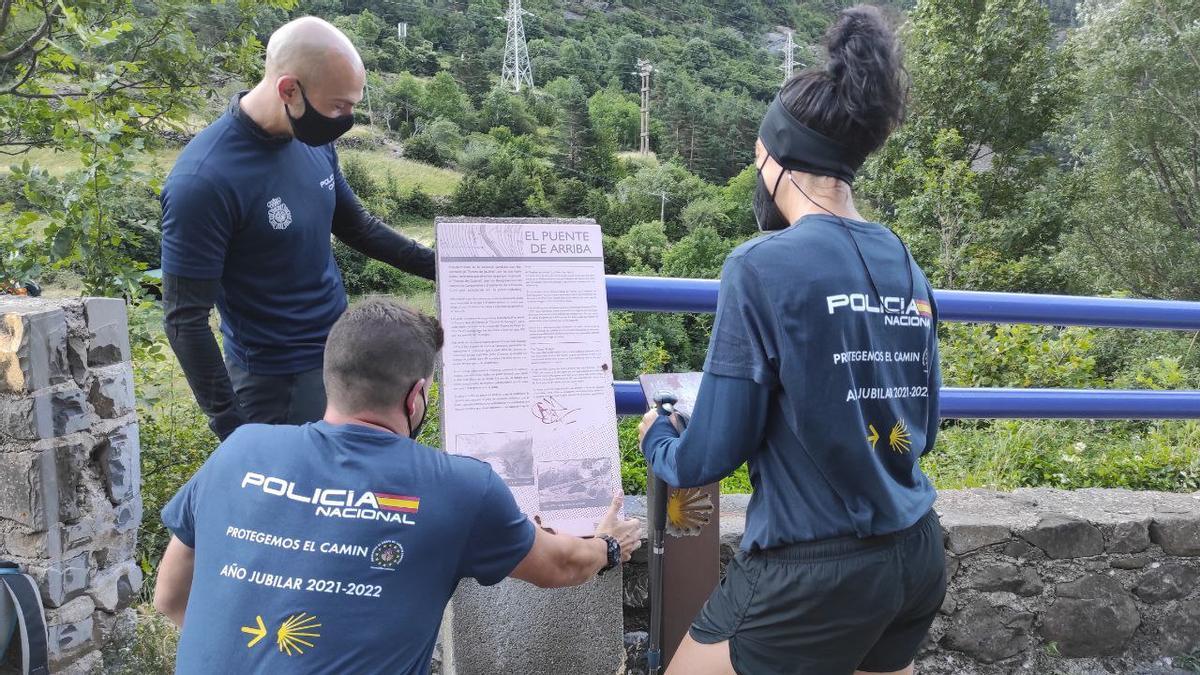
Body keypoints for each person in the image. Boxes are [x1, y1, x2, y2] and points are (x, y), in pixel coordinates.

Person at [638, 7, 944, 675]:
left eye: (758, 158)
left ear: (779, 159)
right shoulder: (904, 259)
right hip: (916, 554)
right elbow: (923, 423)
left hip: (812, 574)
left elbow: (706, 456)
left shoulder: (758, 266)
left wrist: (655, 439)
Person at [154, 298, 643, 674]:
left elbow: (170, 598)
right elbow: (560, 565)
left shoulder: (241, 450)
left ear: (331, 378)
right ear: (416, 397)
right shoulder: (459, 487)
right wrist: (608, 546)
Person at [159, 16, 435, 441]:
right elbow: (184, 319)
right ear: (288, 89)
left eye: (353, 105)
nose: (347, 119)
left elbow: (358, 227)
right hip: (276, 384)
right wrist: (233, 430)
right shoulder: (204, 180)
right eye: (339, 106)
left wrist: (447, 267)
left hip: (343, 359)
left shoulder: (312, 140)